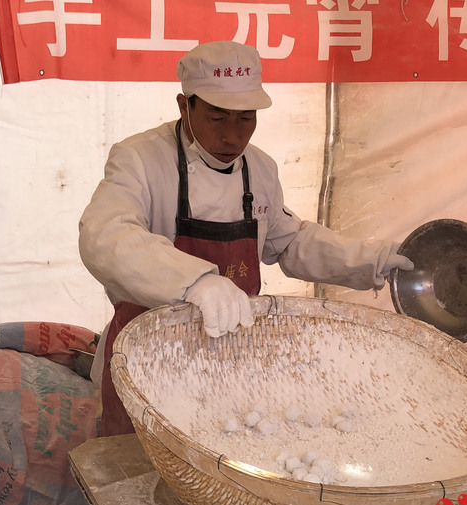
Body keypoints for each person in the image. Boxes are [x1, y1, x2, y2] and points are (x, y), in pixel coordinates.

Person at [78, 40, 413, 437]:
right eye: (218, 119)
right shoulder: (140, 159)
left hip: (229, 361)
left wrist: (370, 260)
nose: (233, 138)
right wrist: (194, 282)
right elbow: (105, 232)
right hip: (146, 364)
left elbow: (288, 241)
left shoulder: (260, 168)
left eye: (246, 119)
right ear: (185, 106)